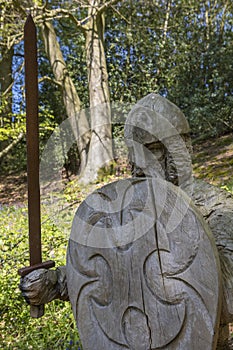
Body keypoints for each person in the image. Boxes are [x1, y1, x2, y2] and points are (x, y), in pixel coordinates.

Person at [20, 94, 233, 349]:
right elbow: (101, 271)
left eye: (152, 149)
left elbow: (227, 293)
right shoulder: (121, 209)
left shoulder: (216, 206)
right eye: (135, 152)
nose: (140, 162)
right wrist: (54, 283)